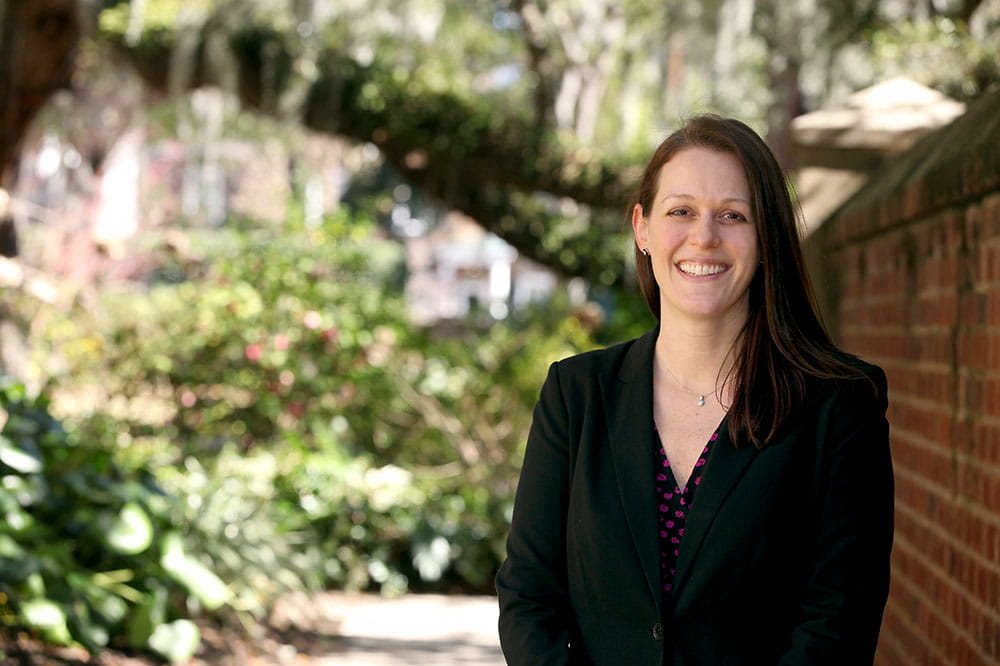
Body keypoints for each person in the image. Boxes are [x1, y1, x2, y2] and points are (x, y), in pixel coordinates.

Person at [495, 115, 893, 665]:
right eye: (680, 211)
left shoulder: (840, 405)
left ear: (767, 237)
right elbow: (528, 596)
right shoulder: (576, 395)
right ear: (642, 228)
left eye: (733, 215)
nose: (703, 236)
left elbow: (837, 622)